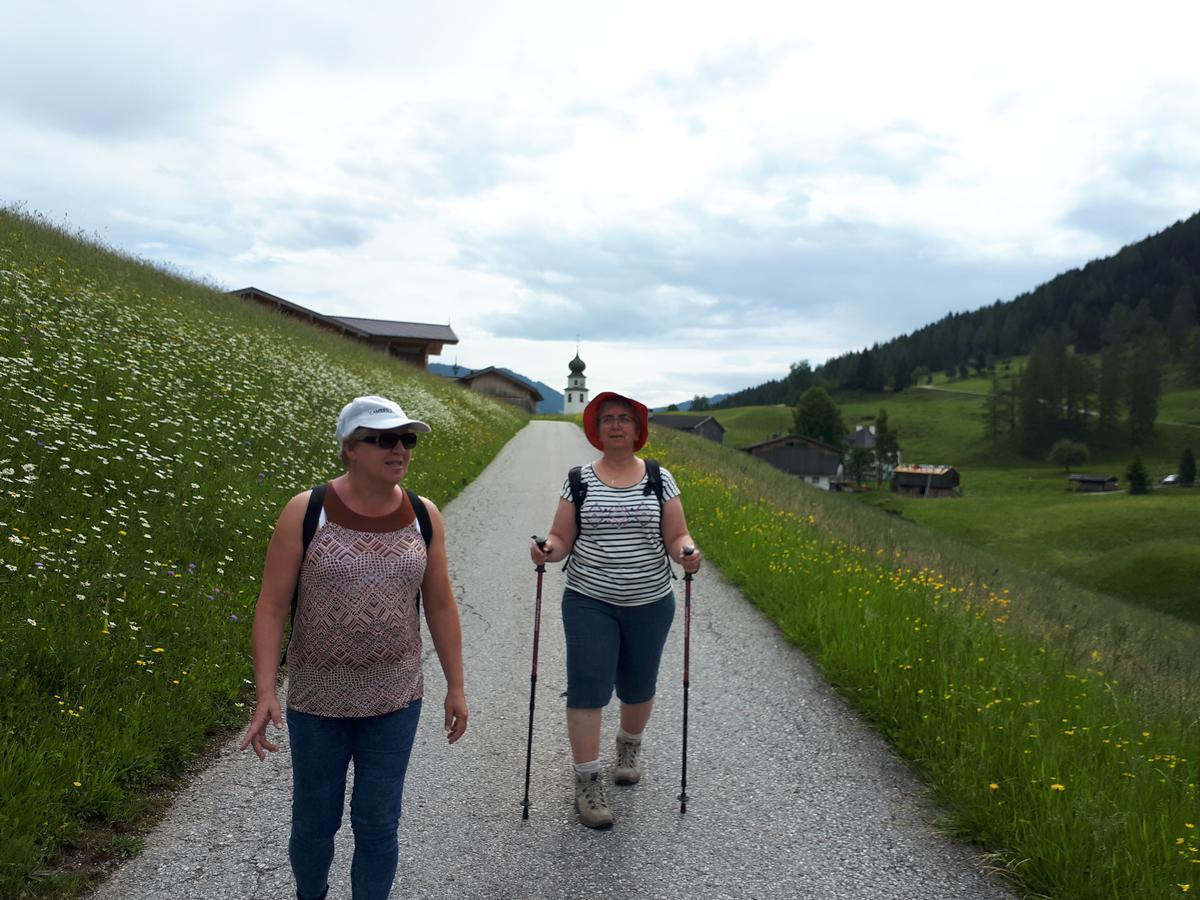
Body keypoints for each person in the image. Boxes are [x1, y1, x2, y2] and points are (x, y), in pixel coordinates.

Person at [241, 395, 467, 900]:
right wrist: (264, 692)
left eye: (406, 439)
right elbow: (272, 606)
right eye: (383, 439)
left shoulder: (423, 516)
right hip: (317, 700)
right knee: (315, 823)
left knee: (379, 824)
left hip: (396, 697)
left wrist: (457, 686)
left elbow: (441, 605)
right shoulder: (308, 511)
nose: (400, 449)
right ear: (349, 448)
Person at [530, 391, 701, 829]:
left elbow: (676, 534)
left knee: (638, 684)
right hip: (590, 600)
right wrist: (549, 550)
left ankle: (629, 746)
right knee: (588, 685)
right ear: (597, 428)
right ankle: (587, 781)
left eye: (625, 418)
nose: (616, 425)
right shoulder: (579, 479)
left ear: (638, 430)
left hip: (650, 601)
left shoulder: (660, 478)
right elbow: (561, 535)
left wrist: (686, 551)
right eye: (608, 418)